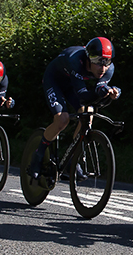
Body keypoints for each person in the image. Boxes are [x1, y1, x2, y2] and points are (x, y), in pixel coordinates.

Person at [27, 37, 121, 180]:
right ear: (89, 58)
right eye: (97, 62)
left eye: (106, 63)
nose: (102, 68)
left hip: (72, 84)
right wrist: (100, 93)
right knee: (62, 120)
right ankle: (38, 155)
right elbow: (83, 96)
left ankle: (73, 158)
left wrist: (112, 92)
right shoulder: (75, 60)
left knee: (88, 114)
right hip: (54, 81)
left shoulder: (109, 69)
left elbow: (100, 87)